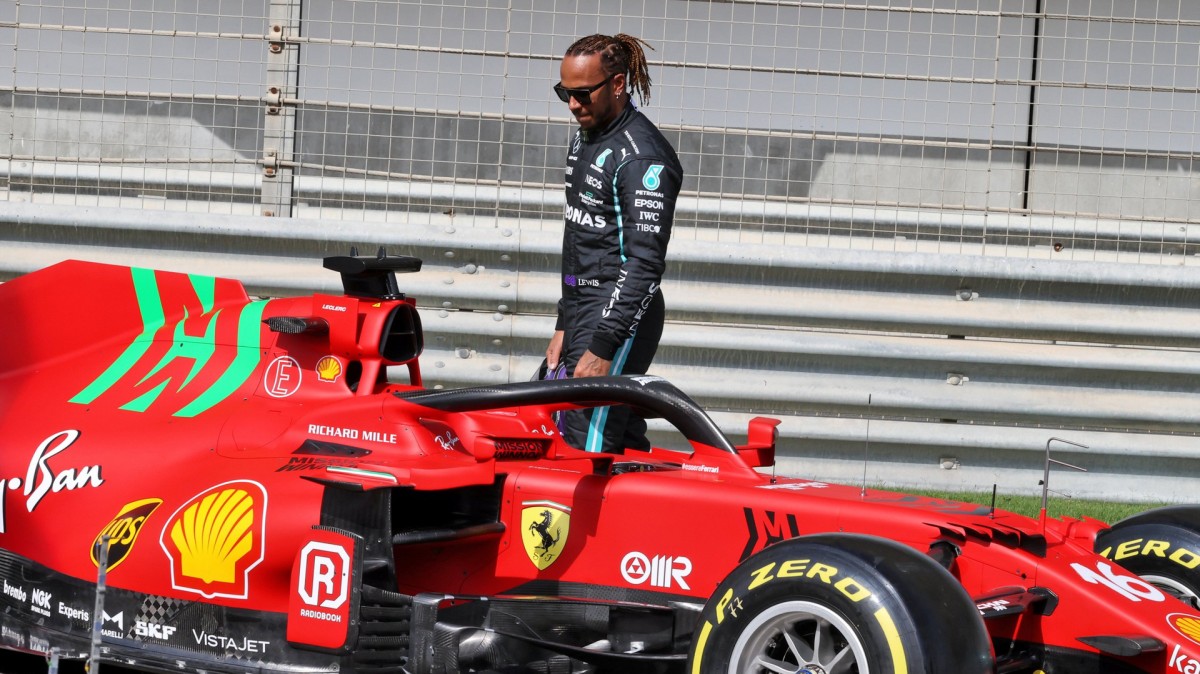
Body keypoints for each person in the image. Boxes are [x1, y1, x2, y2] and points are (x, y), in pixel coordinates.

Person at [545, 34, 684, 454]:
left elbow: (644, 262)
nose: (573, 105)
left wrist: (604, 344)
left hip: (617, 315)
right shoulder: (586, 135)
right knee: (594, 434)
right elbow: (582, 238)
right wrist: (564, 322)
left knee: (583, 449)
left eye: (583, 94)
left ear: (618, 84)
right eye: (565, 93)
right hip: (581, 309)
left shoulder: (643, 159)